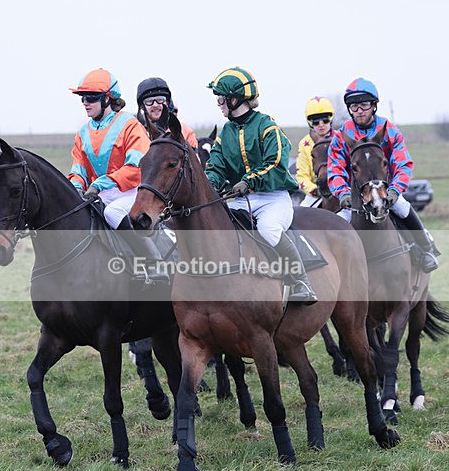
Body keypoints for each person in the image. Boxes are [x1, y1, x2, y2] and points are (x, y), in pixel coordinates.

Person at [205, 66, 317, 304]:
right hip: (238, 200)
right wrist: (209, 186)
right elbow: (215, 165)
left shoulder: (267, 126)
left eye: (221, 99)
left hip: (271, 199)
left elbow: (275, 163)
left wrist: (248, 181)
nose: (219, 104)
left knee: (268, 229)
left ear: (235, 99)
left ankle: (301, 282)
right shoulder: (225, 133)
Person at [328, 77, 438, 272]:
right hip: (356, 194)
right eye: (354, 107)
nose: (359, 110)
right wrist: (343, 193)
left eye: (363, 105)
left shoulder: (390, 130)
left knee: (403, 207)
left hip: (386, 189)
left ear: (374, 106)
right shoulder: (341, 135)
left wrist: (395, 191)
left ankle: (425, 249)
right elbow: (335, 168)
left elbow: (403, 164)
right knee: (337, 223)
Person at [68, 68, 162, 271]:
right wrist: (74, 187)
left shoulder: (130, 125)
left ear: (108, 99)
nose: (85, 102)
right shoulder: (82, 133)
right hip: (100, 193)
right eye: (82, 98)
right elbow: (78, 169)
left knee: (112, 212)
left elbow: (137, 166)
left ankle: (152, 261)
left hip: (133, 191)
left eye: (91, 97)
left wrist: (99, 184)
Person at [136, 77, 198, 148]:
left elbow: (195, 158)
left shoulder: (185, 131)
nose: (155, 105)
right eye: (149, 101)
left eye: (160, 100)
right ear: (142, 106)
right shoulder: (135, 132)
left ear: (167, 103)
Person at [296, 96, 335, 207]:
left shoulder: (341, 139)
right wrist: (315, 191)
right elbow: (302, 176)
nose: (321, 125)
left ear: (331, 120)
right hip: (316, 193)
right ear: (310, 123)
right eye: (316, 122)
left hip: (340, 191)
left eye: (325, 120)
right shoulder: (304, 144)